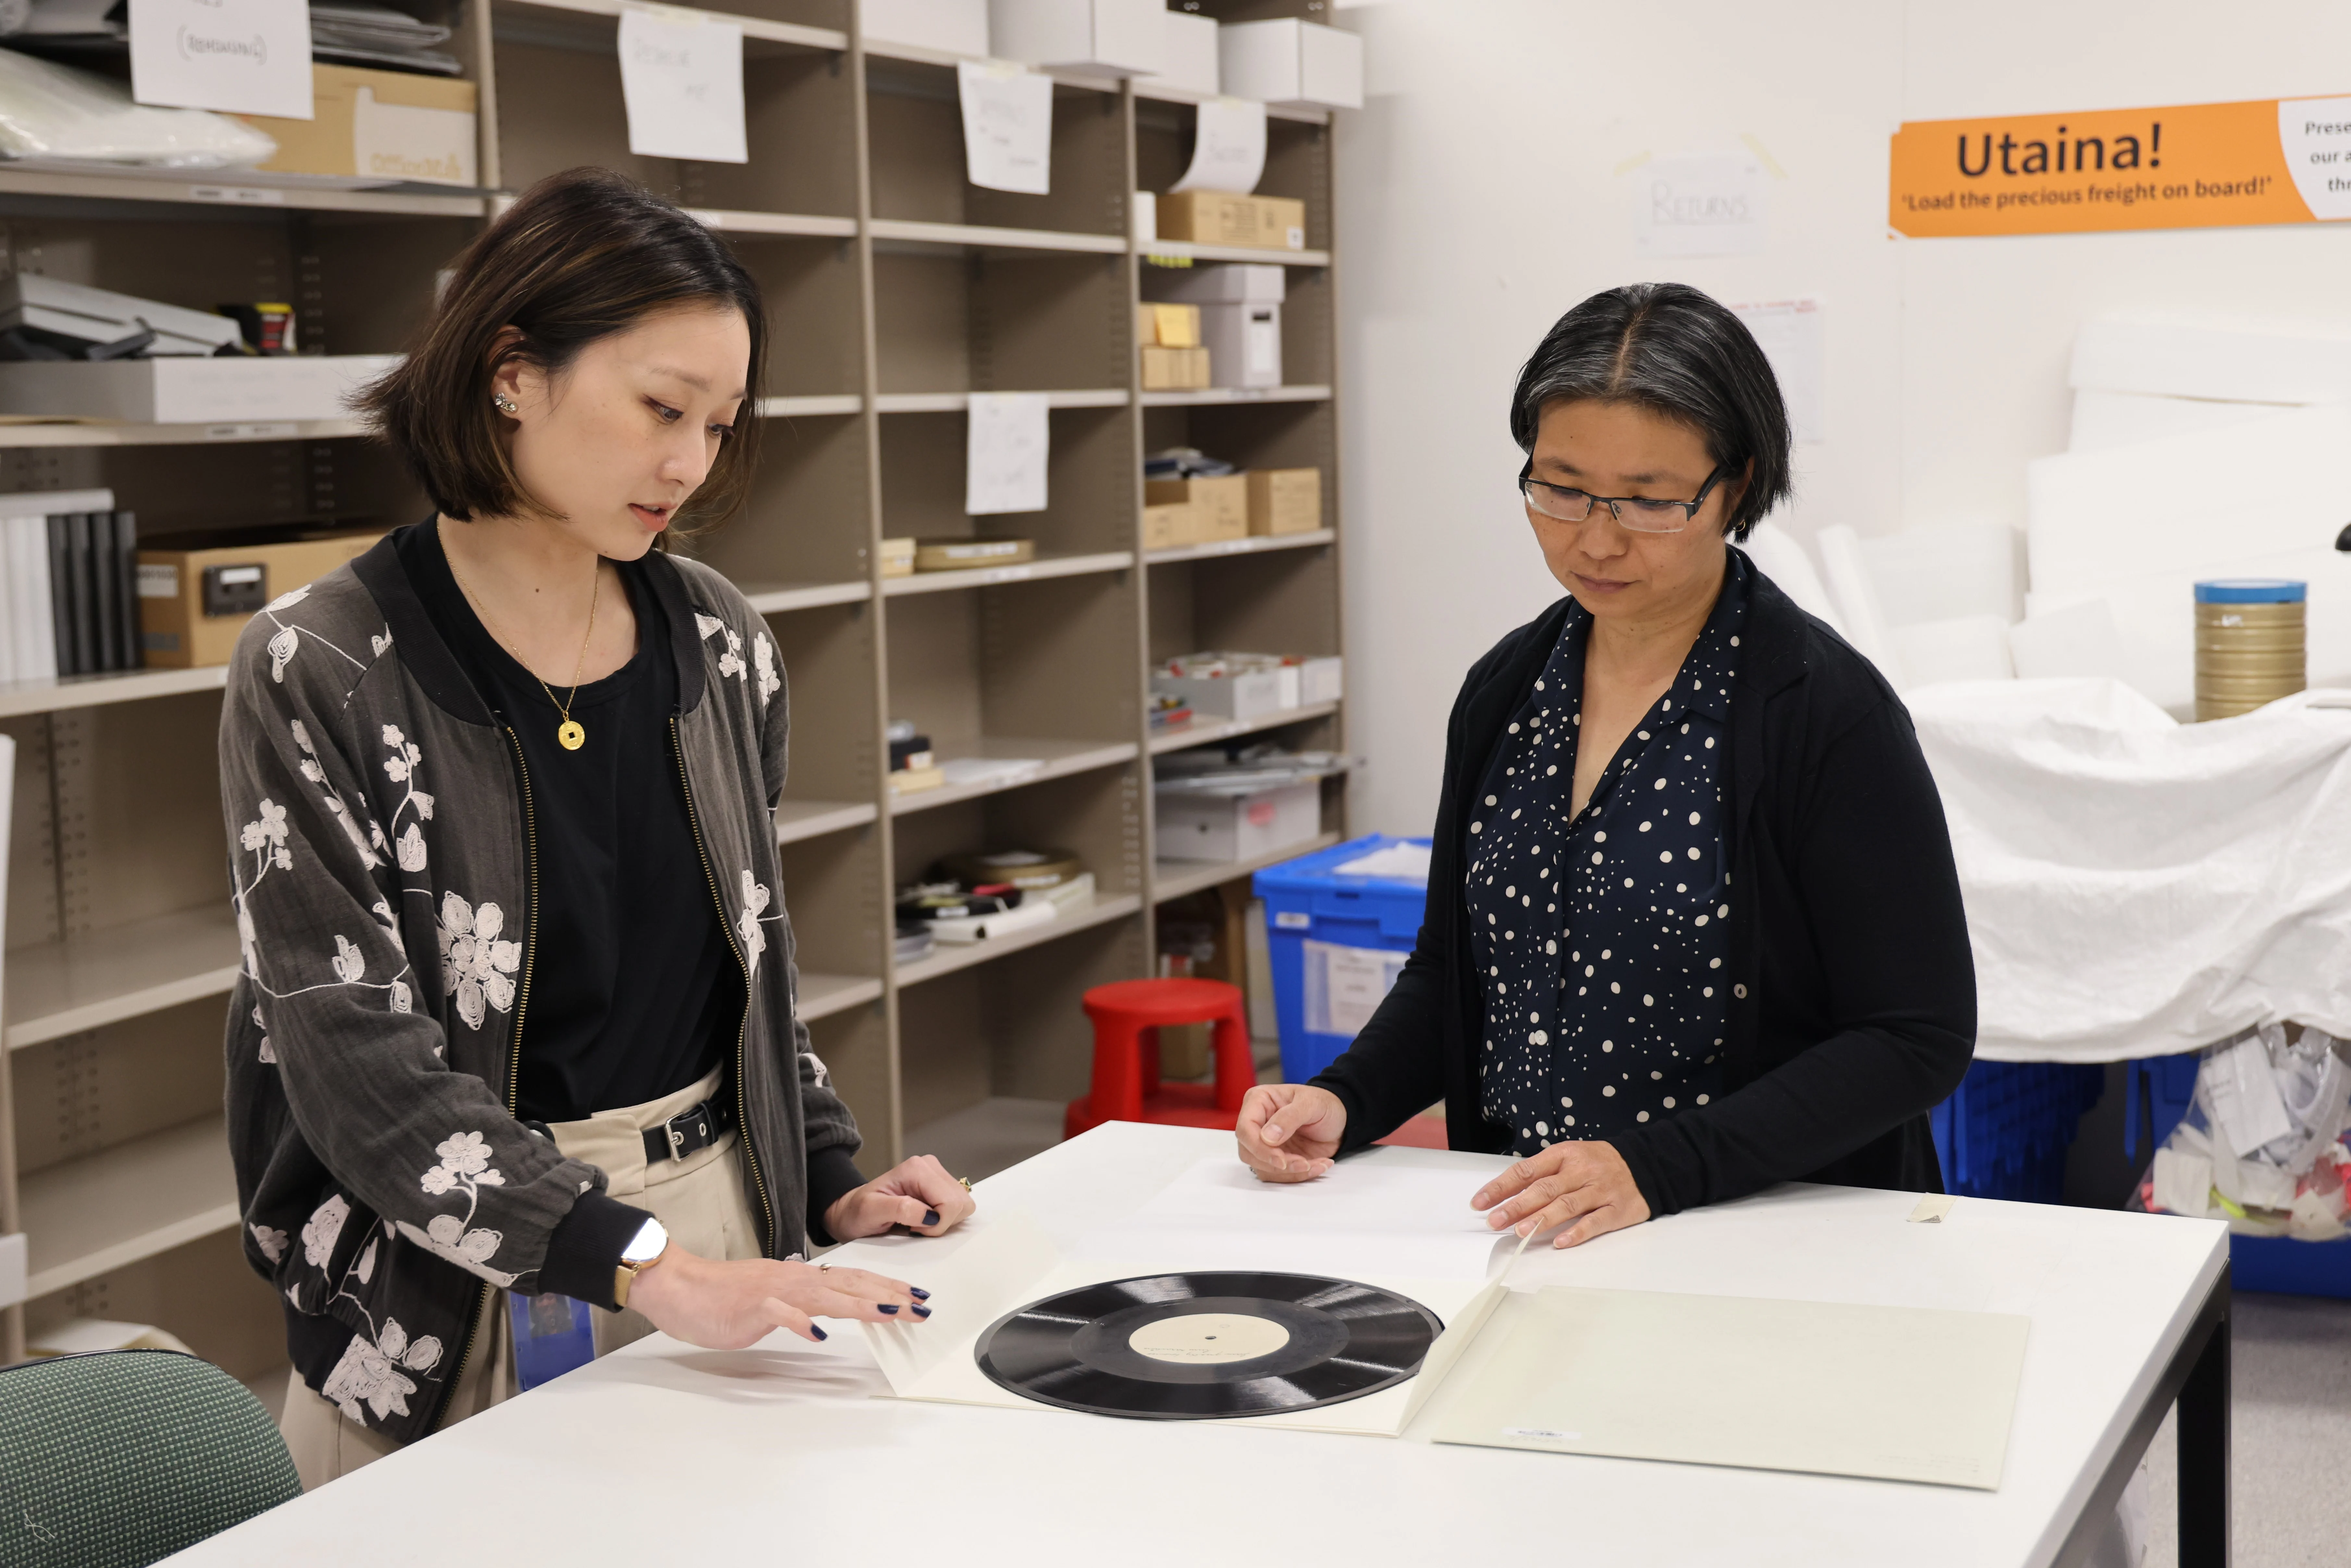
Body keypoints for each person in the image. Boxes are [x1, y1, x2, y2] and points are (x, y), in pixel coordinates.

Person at [219, 168, 974, 1488]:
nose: (690, 461)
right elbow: (354, 1066)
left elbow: (752, 974)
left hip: (721, 1228)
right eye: (660, 408)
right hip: (447, 1272)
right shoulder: (321, 667)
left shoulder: (722, 642)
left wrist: (832, 1182)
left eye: (721, 423)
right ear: (513, 371)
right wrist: (641, 1263)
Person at [1235, 282, 1974, 1246]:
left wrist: (1657, 1166)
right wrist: (1347, 1095)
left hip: (1767, 1234)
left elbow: (1914, 1036)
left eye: (1650, 501)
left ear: (1736, 486)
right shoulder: (1507, 691)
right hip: (1543, 1233)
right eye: (1562, 487)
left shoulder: (1824, 712)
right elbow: (1461, 974)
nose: (1595, 537)